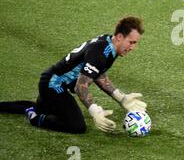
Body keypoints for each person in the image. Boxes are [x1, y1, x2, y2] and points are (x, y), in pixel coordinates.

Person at [0, 16, 147, 133]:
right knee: (76, 126)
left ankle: (28, 108)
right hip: (54, 85)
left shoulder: (108, 45)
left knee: (44, 108)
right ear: (120, 37)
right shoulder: (101, 51)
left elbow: (98, 74)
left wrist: (120, 97)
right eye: (131, 42)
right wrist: (94, 110)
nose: (133, 47)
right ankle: (34, 117)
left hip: (52, 82)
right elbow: (80, 86)